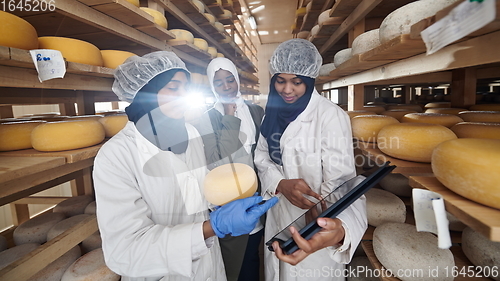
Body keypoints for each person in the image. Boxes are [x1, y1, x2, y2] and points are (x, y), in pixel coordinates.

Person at [92, 51, 278, 281]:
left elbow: (197, 194)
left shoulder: (189, 134)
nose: (183, 95)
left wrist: (224, 204)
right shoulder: (116, 156)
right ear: (146, 93)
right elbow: (126, 252)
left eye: (185, 88)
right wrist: (213, 227)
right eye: (173, 88)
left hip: (210, 267)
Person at [254, 39, 367, 280]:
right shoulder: (271, 113)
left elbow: (341, 180)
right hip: (278, 214)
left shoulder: (330, 116)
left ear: (308, 80)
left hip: (315, 221)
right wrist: (280, 184)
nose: (287, 90)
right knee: (278, 270)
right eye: (280, 81)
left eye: (296, 82)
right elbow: (262, 156)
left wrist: (321, 208)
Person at [191, 57, 265, 281]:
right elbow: (218, 162)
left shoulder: (254, 112)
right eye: (219, 83)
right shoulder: (205, 119)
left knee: (252, 256)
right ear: (212, 87)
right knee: (234, 265)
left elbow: (262, 154)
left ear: (237, 80)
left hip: (255, 197)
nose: (226, 87)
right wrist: (229, 116)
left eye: (230, 80)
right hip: (228, 202)